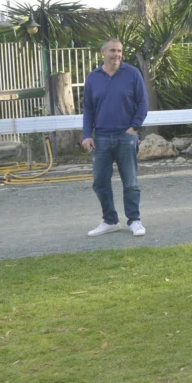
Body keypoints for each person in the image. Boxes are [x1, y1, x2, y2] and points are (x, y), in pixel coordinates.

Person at [81, 38, 149, 238]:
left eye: (119, 51)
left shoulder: (132, 74)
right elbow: (88, 109)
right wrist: (87, 135)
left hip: (126, 137)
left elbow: (142, 103)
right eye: (112, 50)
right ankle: (110, 221)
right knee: (100, 183)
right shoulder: (93, 78)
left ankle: (134, 220)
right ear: (103, 53)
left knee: (131, 182)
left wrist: (134, 127)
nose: (117, 54)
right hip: (101, 138)